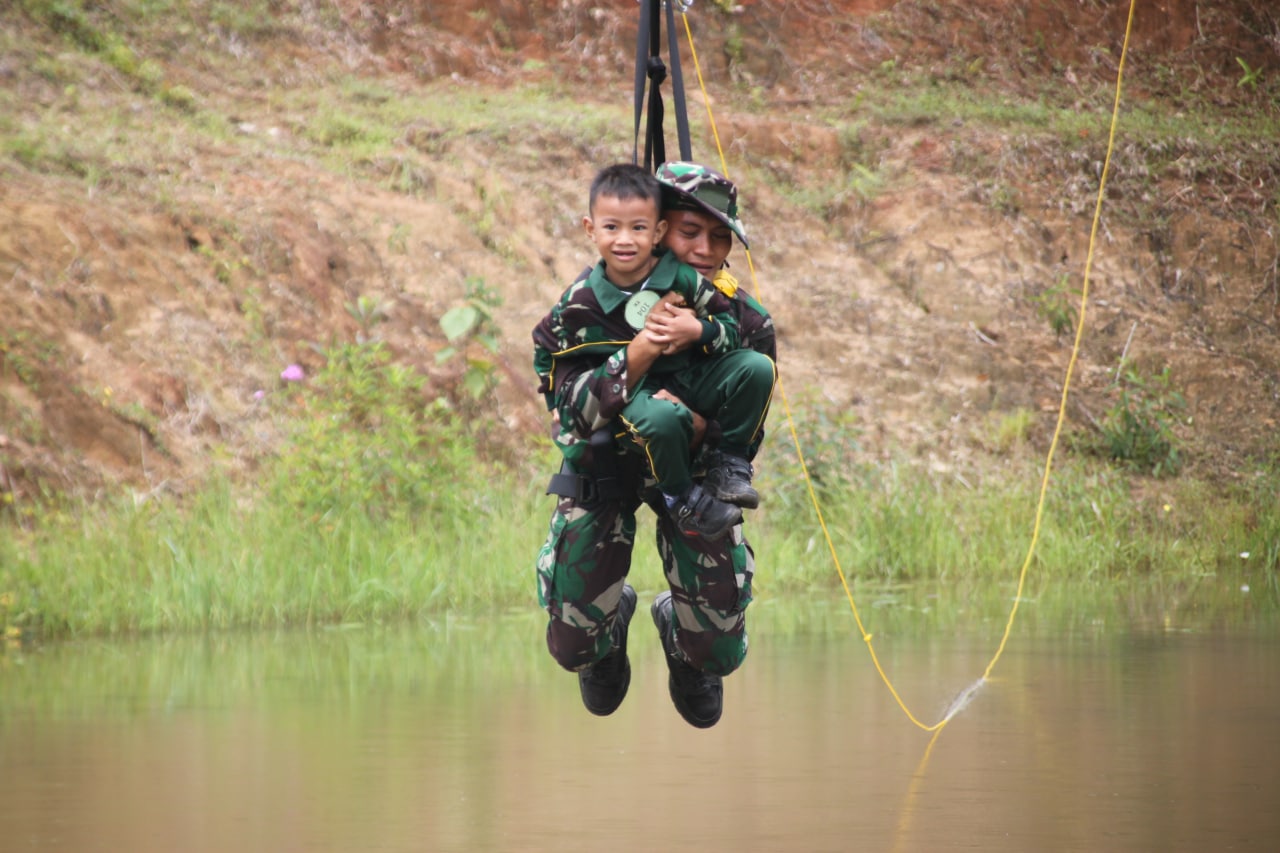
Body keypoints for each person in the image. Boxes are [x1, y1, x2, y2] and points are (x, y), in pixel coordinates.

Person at [532, 162, 775, 729]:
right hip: (605, 469)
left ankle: (685, 641)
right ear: (661, 229)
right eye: (691, 232)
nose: (706, 250)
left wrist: (701, 412)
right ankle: (607, 630)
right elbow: (569, 415)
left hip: (689, 483)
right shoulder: (577, 312)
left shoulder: (740, 313)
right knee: (572, 647)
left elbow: (749, 407)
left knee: (719, 653)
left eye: (720, 238)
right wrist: (638, 356)